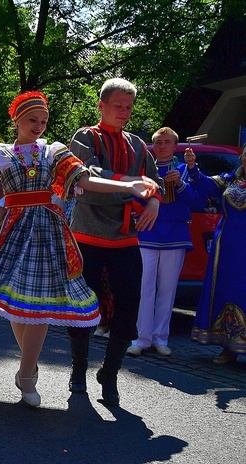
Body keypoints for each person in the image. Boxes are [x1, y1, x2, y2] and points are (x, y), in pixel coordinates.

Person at [0, 91, 157, 407]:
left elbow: (85, 178)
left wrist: (128, 186)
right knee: (16, 300)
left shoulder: (54, 152)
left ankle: (27, 373)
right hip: (12, 230)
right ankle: (29, 366)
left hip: (46, 231)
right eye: (32, 120)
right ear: (18, 120)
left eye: (43, 121)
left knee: (38, 302)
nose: (39, 126)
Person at [67, 78, 164, 407]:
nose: (124, 111)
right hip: (88, 232)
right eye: (118, 105)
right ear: (102, 106)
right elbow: (85, 176)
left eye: (128, 107)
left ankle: (110, 372)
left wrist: (153, 201)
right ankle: (78, 370)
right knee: (84, 305)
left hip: (124, 236)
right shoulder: (86, 136)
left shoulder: (137, 144)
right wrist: (132, 185)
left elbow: (156, 182)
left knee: (129, 304)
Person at [128, 127, 208, 357]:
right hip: (147, 233)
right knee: (145, 287)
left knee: (167, 289)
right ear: (153, 146)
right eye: (159, 142)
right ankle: (141, 338)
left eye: (167, 142)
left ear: (175, 146)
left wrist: (181, 186)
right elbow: (132, 198)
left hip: (175, 235)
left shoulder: (185, 170)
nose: (162, 146)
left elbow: (199, 202)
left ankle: (160, 337)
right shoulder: (144, 169)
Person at [188, 144, 246, 364]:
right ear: (242, 158)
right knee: (226, 291)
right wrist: (192, 167)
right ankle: (228, 348)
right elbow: (206, 185)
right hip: (227, 249)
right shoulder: (229, 180)